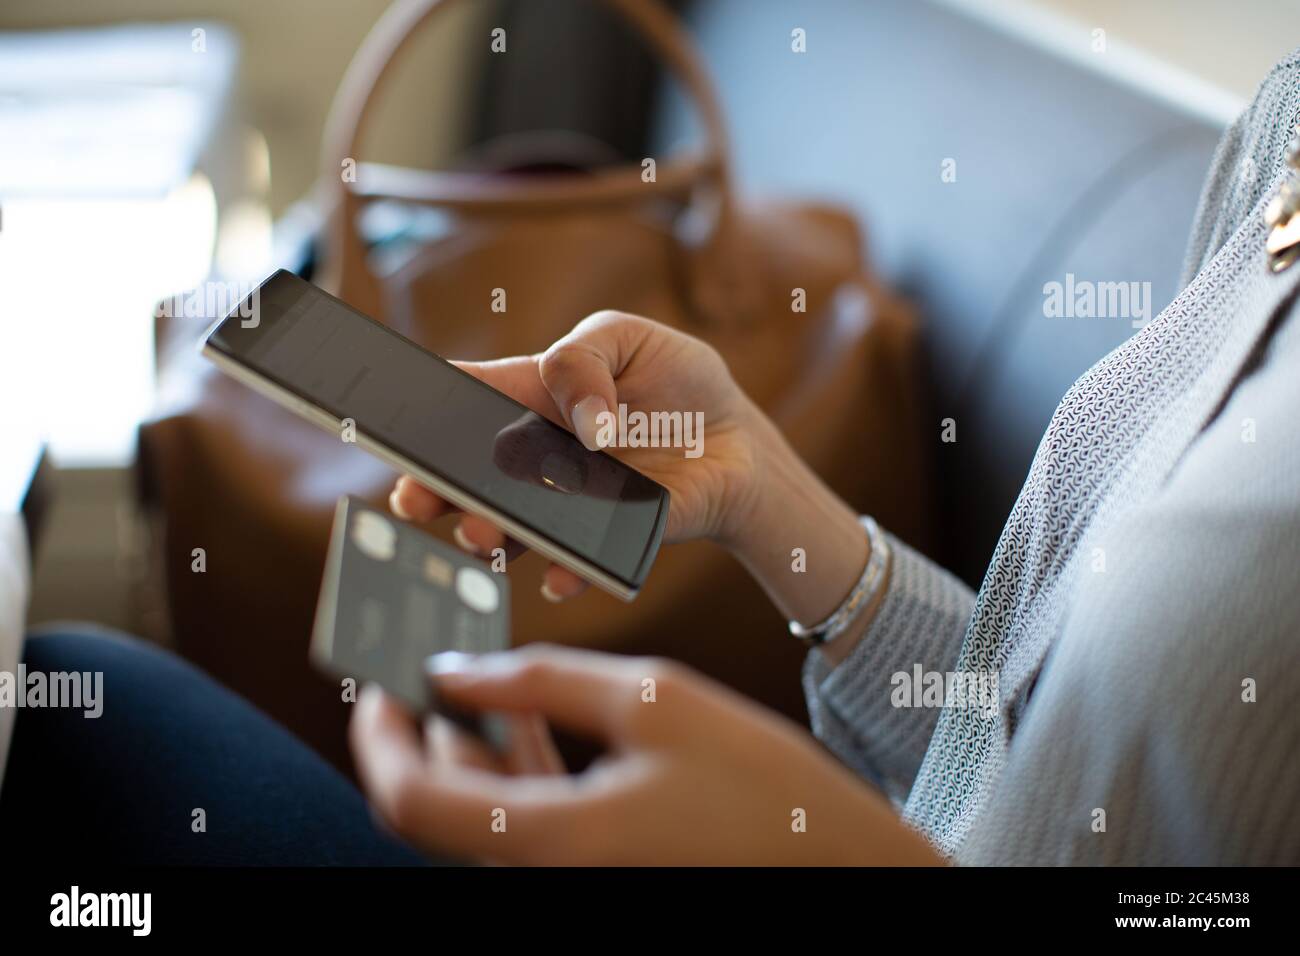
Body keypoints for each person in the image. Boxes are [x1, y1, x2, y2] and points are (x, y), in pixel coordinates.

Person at [4, 47, 1299, 867]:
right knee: (65, 694)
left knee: (69, 720)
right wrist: (775, 506)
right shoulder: (1279, 143)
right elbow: (1049, 757)